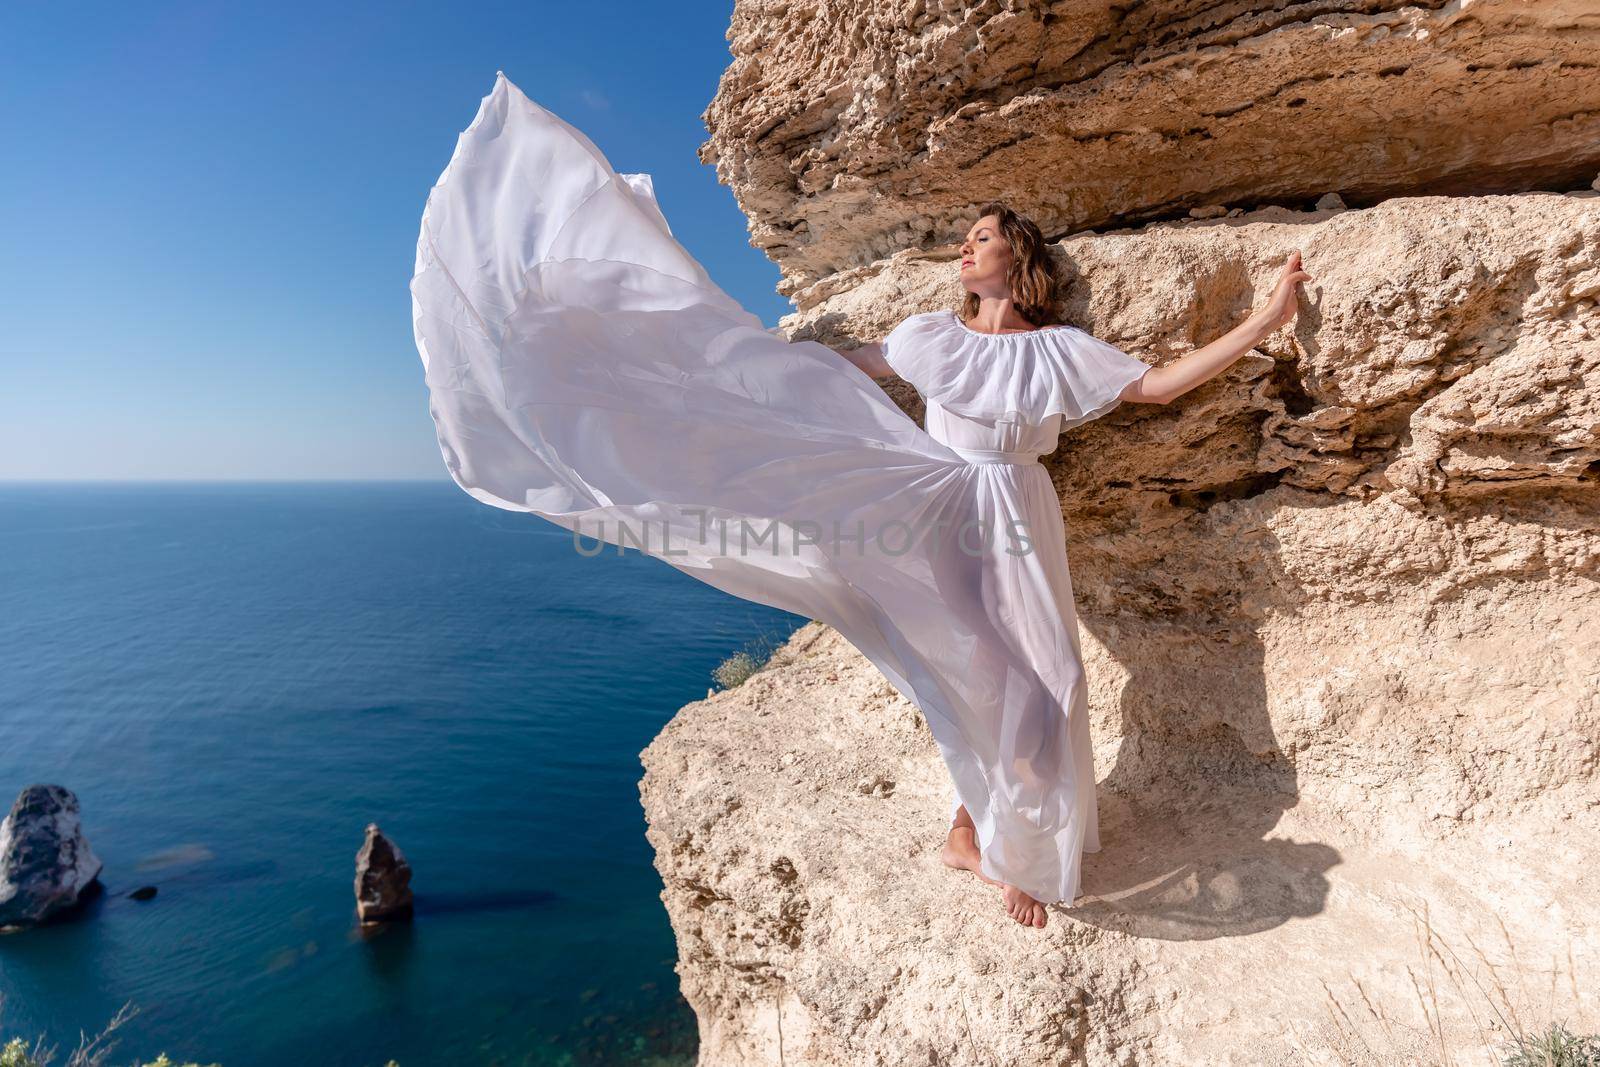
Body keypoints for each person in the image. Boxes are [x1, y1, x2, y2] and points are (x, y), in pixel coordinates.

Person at [410, 73, 1311, 930]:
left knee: (1054, 679)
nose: (967, 245)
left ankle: (983, 832)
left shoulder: (1059, 348)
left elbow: (1156, 386)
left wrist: (1264, 322)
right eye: (965, 236)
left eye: (983, 234)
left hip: (1019, 509)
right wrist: (718, 367)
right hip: (936, 503)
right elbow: (847, 369)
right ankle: (985, 841)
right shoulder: (930, 336)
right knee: (979, 669)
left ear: (1017, 255)